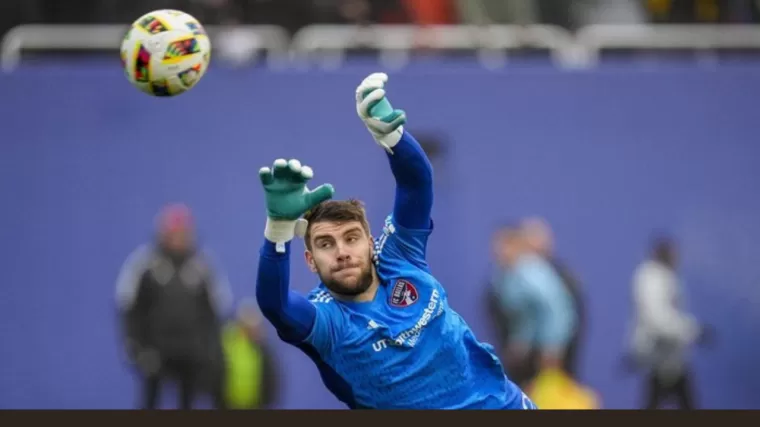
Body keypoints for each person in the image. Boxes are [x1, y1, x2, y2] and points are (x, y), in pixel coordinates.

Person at [254, 73, 536, 410]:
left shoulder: (400, 256)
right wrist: (278, 229)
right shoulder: (328, 324)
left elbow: (417, 183)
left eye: (351, 238)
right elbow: (276, 305)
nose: (342, 251)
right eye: (326, 244)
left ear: (371, 243)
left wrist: (392, 135)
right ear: (310, 261)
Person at [115, 203, 231, 410]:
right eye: (173, 233)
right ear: (163, 234)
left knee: (188, 403)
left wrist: (210, 351)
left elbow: (216, 311)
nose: (179, 238)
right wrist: (137, 348)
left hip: (191, 353)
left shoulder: (202, 267)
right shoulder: (145, 266)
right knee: (150, 402)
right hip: (155, 351)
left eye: (183, 233)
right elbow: (129, 308)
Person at [629, 235, 708, 409]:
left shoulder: (665, 277)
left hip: (670, 356)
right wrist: (692, 330)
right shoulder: (651, 278)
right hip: (660, 354)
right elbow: (657, 320)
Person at [222, 299, 280, 409]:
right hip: (227, 405)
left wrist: (266, 402)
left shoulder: (262, 349)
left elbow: (270, 378)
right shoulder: (227, 343)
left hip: (254, 406)